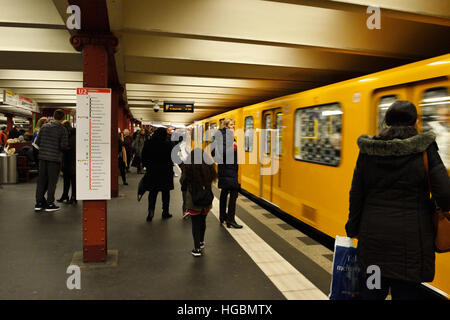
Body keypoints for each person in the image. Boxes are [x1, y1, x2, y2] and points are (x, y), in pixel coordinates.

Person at [345, 100, 450, 300]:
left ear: (386, 121)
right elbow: (445, 194)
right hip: (411, 246)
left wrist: (353, 228)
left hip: (373, 242)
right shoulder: (425, 150)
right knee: (405, 294)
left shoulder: (368, 150)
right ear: (416, 121)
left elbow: (356, 194)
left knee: (371, 292)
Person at [180, 148, 218, 257]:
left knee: (195, 223)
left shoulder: (188, 168)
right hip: (206, 200)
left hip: (193, 201)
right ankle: (201, 242)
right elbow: (212, 180)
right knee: (203, 221)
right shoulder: (209, 167)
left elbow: (182, 181)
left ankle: (196, 249)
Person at [34, 109, 69, 212]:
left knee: (41, 181)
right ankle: (50, 204)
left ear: (53, 116)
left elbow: (37, 143)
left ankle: (39, 203)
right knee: (52, 182)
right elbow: (63, 146)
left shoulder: (44, 127)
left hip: (42, 158)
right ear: (63, 118)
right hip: (54, 159)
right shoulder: (63, 130)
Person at [212, 118, 243, 228]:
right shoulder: (226, 137)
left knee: (225, 192)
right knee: (234, 193)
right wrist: (233, 147)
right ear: (225, 126)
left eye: (234, 124)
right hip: (228, 169)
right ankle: (230, 219)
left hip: (226, 169)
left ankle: (222, 216)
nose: (233, 126)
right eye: (231, 125)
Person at [141, 127, 174, 221]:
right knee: (165, 193)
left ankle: (151, 212)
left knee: (152, 193)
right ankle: (165, 212)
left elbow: (143, 157)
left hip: (152, 172)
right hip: (165, 172)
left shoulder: (148, 143)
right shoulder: (168, 144)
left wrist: (148, 166)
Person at [57, 120, 76, 204]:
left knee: (73, 180)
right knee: (67, 179)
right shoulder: (69, 135)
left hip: (72, 161)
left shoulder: (73, 136)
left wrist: (62, 147)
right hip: (67, 161)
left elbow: (70, 148)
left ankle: (74, 196)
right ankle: (65, 195)